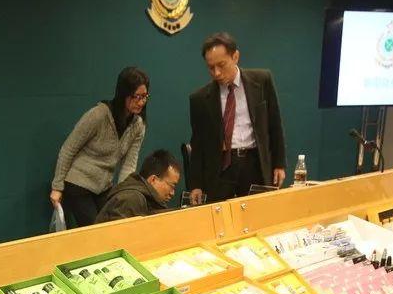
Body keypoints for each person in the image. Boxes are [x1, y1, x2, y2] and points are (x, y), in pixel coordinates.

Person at [187, 32, 286, 204]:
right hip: (221, 169)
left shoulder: (262, 81)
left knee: (258, 213)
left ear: (235, 57)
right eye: (211, 68)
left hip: (255, 164)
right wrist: (196, 184)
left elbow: (275, 125)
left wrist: (279, 164)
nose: (217, 73)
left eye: (221, 65)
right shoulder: (200, 99)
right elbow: (198, 144)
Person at [50, 67, 150, 226]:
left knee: (112, 225)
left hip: (104, 187)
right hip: (79, 183)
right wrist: (57, 187)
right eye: (136, 97)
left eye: (144, 97)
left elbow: (129, 165)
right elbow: (68, 149)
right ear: (123, 94)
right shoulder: (99, 114)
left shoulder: (138, 125)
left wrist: (122, 195)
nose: (141, 102)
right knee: (95, 229)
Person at [94, 149, 181, 223]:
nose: (172, 193)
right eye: (172, 186)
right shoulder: (131, 199)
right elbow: (118, 235)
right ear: (153, 180)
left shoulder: (146, 199)